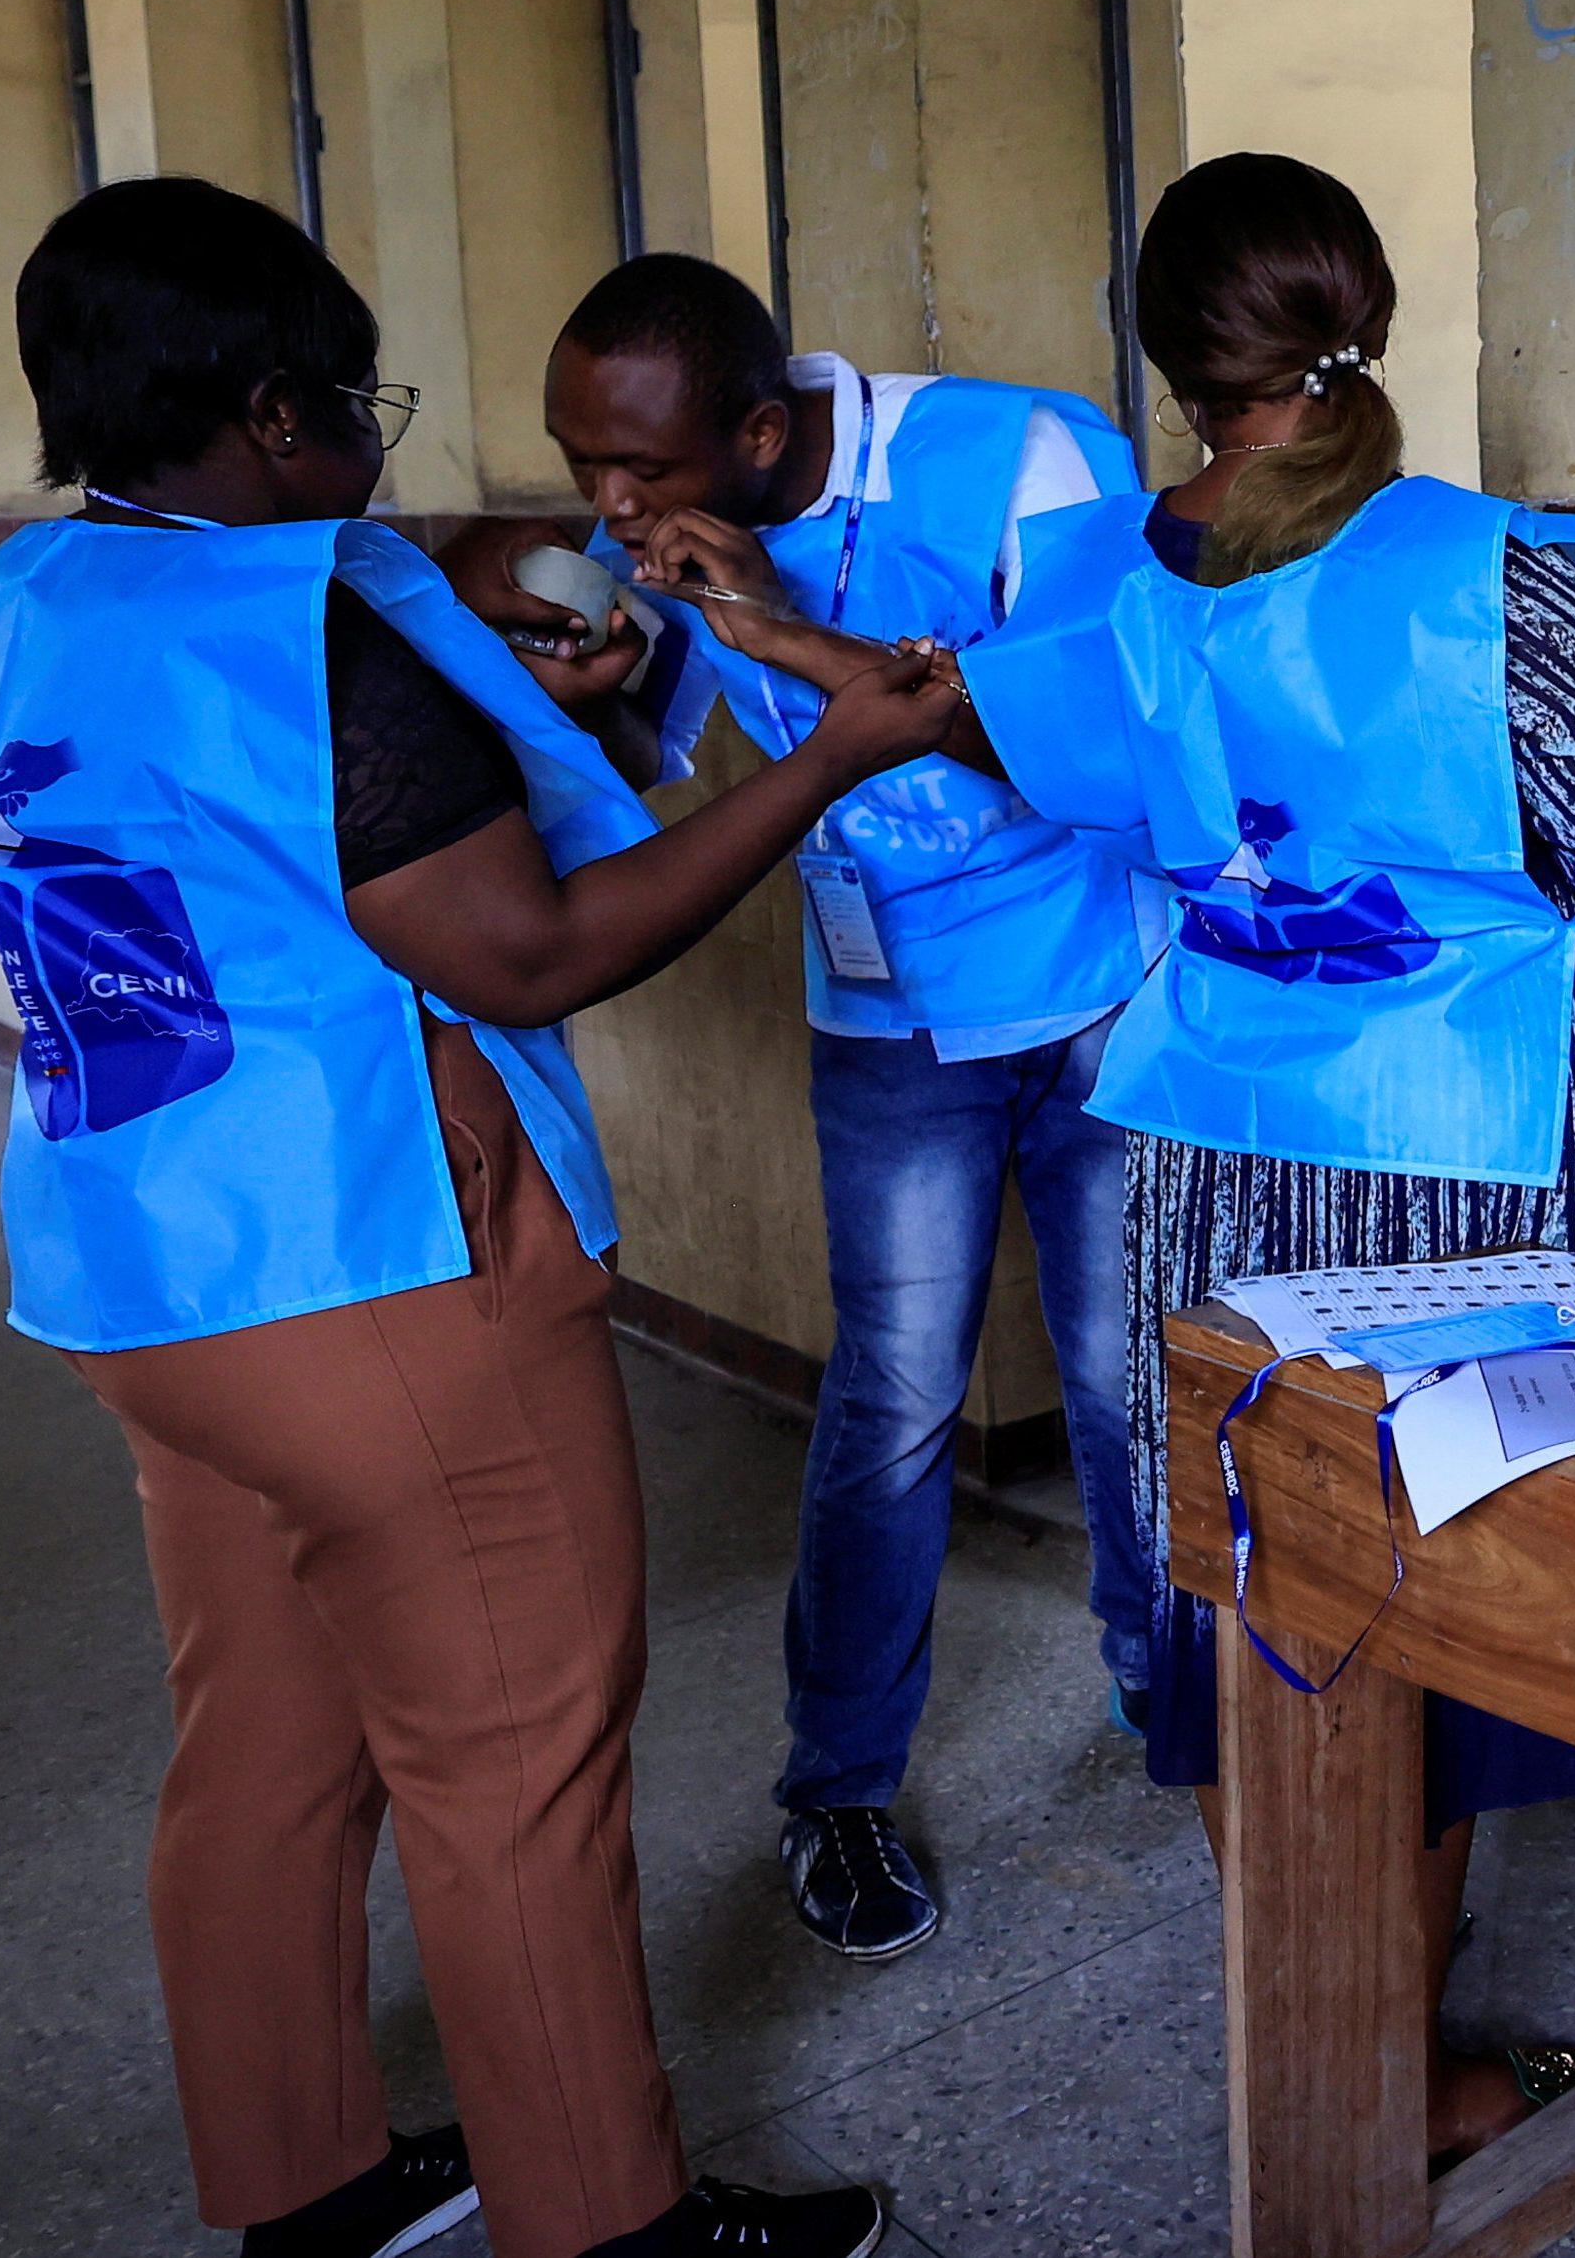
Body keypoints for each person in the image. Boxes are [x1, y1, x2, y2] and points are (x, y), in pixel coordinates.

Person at [704, 152, 1575, 2163]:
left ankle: (1318, 2049)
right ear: (1362, 314)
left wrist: (769, 642)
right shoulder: (1482, 575)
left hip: (1216, 1152)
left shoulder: (1105, 586)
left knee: (1250, 1579)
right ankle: (1385, 2084)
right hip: (1478, 1154)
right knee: (1446, 1583)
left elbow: (977, 729)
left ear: (1167, 361)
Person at [0, 179, 960, 2258]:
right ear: (268, 408)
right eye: (353, 398)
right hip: (373, 1268)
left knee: (263, 1747)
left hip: (153, 1270)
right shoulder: (302, 630)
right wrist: (828, 762)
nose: (368, 439)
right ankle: (607, 2225)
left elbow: (249, 849)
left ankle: (304, 2190)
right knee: (514, 1766)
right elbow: (531, 950)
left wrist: (525, 675)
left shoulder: (22, 602)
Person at [442, 259, 1151, 1968]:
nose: (612, 506)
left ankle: (1175, 1698)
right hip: (887, 1017)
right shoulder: (661, 532)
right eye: (584, 466)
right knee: (894, 1402)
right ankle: (837, 1788)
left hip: (1102, 993)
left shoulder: (1023, 457)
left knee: (1129, 1379)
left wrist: (778, 629)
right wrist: (600, 686)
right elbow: (637, 778)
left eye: (640, 471)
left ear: (762, 434)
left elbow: (1103, 739)